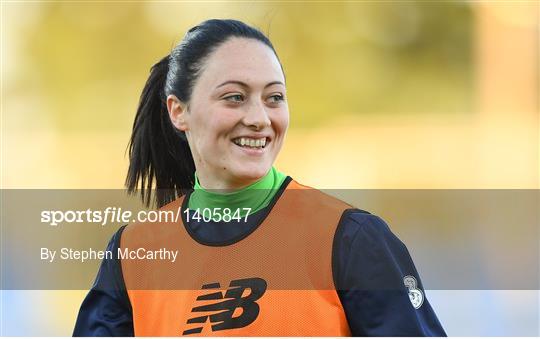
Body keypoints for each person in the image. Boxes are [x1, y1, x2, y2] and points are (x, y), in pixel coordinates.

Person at [73, 19, 446, 336]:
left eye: (274, 98)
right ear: (178, 111)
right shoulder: (133, 253)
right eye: (235, 97)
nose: (259, 118)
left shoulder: (350, 239)